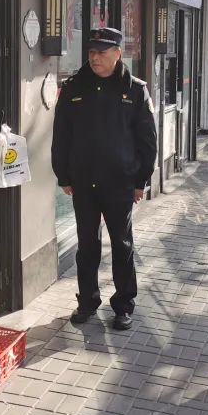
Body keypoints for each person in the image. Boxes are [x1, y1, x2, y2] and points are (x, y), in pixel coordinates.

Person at [52, 27, 157, 331]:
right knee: (87, 245)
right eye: (91, 52)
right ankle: (87, 301)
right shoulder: (73, 87)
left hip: (119, 182)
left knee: (122, 245)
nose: (95, 57)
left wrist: (141, 180)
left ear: (117, 54)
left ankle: (123, 305)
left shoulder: (134, 90)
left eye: (101, 52)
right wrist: (63, 175)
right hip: (83, 181)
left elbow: (147, 140)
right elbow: (61, 135)